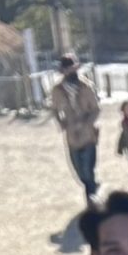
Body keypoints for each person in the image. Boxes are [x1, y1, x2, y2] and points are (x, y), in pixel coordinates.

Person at [50, 52, 100, 200]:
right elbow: (54, 108)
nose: (71, 71)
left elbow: (96, 109)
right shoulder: (57, 90)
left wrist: (87, 123)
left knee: (88, 169)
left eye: (73, 68)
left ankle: (92, 198)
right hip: (72, 136)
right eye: (68, 69)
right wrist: (61, 123)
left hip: (88, 135)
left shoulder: (86, 86)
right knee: (79, 172)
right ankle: (91, 187)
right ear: (63, 70)